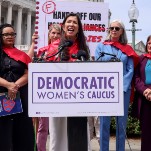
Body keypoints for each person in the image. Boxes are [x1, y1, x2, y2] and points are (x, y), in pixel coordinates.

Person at [95, 19, 138, 151]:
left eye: (117, 28)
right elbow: (97, 66)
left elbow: (130, 69)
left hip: (123, 91)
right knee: (104, 124)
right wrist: (108, 86)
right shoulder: (101, 46)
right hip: (106, 89)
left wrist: (121, 87)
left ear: (122, 31)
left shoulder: (128, 49)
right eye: (111, 28)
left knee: (121, 125)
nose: (113, 30)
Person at [49, 13, 90, 151]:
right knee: (58, 134)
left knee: (79, 136)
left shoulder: (83, 49)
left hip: (79, 99)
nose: (71, 24)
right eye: (69, 22)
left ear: (79, 28)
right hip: (57, 97)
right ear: (63, 26)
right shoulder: (54, 47)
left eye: (75, 22)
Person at [0, 23, 35, 151]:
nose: (10, 36)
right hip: (2, 97)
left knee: (22, 131)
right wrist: (8, 85)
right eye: (6, 34)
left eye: (12, 34)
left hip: (20, 97)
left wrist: (15, 86)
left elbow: (28, 73)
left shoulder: (21, 55)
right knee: (3, 131)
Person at [27, 23, 61, 151]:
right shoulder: (42, 50)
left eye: (58, 33)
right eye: (53, 33)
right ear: (49, 34)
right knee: (43, 126)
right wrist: (32, 43)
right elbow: (28, 60)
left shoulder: (64, 50)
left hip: (58, 90)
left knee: (57, 126)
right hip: (43, 91)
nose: (55, 35)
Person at [133, 35, 151, 151]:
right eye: (149, 43)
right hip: (146, 97)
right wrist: (145, 90)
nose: (150, 45)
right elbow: (136, 77)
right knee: (147, 132)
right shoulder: (141, 59)